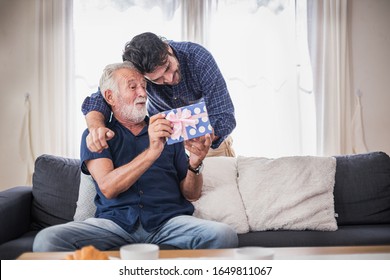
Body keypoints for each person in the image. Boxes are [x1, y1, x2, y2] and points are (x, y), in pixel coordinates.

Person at [33, 62, 238, 252]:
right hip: (114, 225)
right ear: (110, 97)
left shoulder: (168, 130)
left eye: (143, 86)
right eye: (133, 87)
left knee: (224, 235)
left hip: (168, 221)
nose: (142, 93)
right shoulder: (96, 136)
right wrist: (151, 152)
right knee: (47, 240)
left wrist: (195, 163)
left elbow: (191, 194)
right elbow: (108, 187)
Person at [82, 32, 236, 157]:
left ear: (167, 48)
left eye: (168, 67)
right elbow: (100, 98)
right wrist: (95, 128)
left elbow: (225, 117)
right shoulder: (136, 70)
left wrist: (196, 138)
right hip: (162, 145)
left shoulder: (198, 58)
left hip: (207, 139)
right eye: (158, 79)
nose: (169, 78)